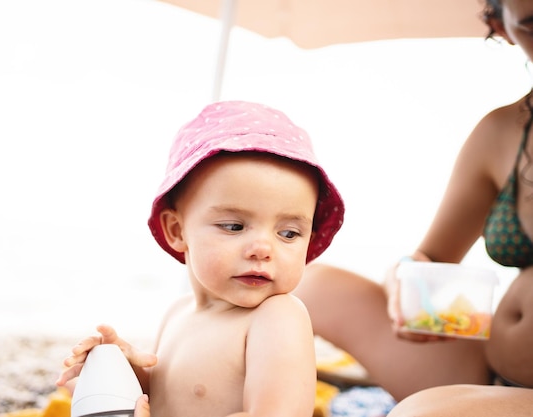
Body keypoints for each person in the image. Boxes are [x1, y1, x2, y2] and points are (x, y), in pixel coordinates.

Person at [293, 0, 533, 415]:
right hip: (489, 371)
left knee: (422, 413)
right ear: (502, 25)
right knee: (305, 287)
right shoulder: (501, 132)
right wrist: (406, 277)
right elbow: (433, 259)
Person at [56, 100, 345, 417]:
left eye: (289, 233)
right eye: (235, 226)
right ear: (177, 230)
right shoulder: (177, 313)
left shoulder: (277, 317)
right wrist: (117, 372)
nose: (263, 249)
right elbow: (170, 396)